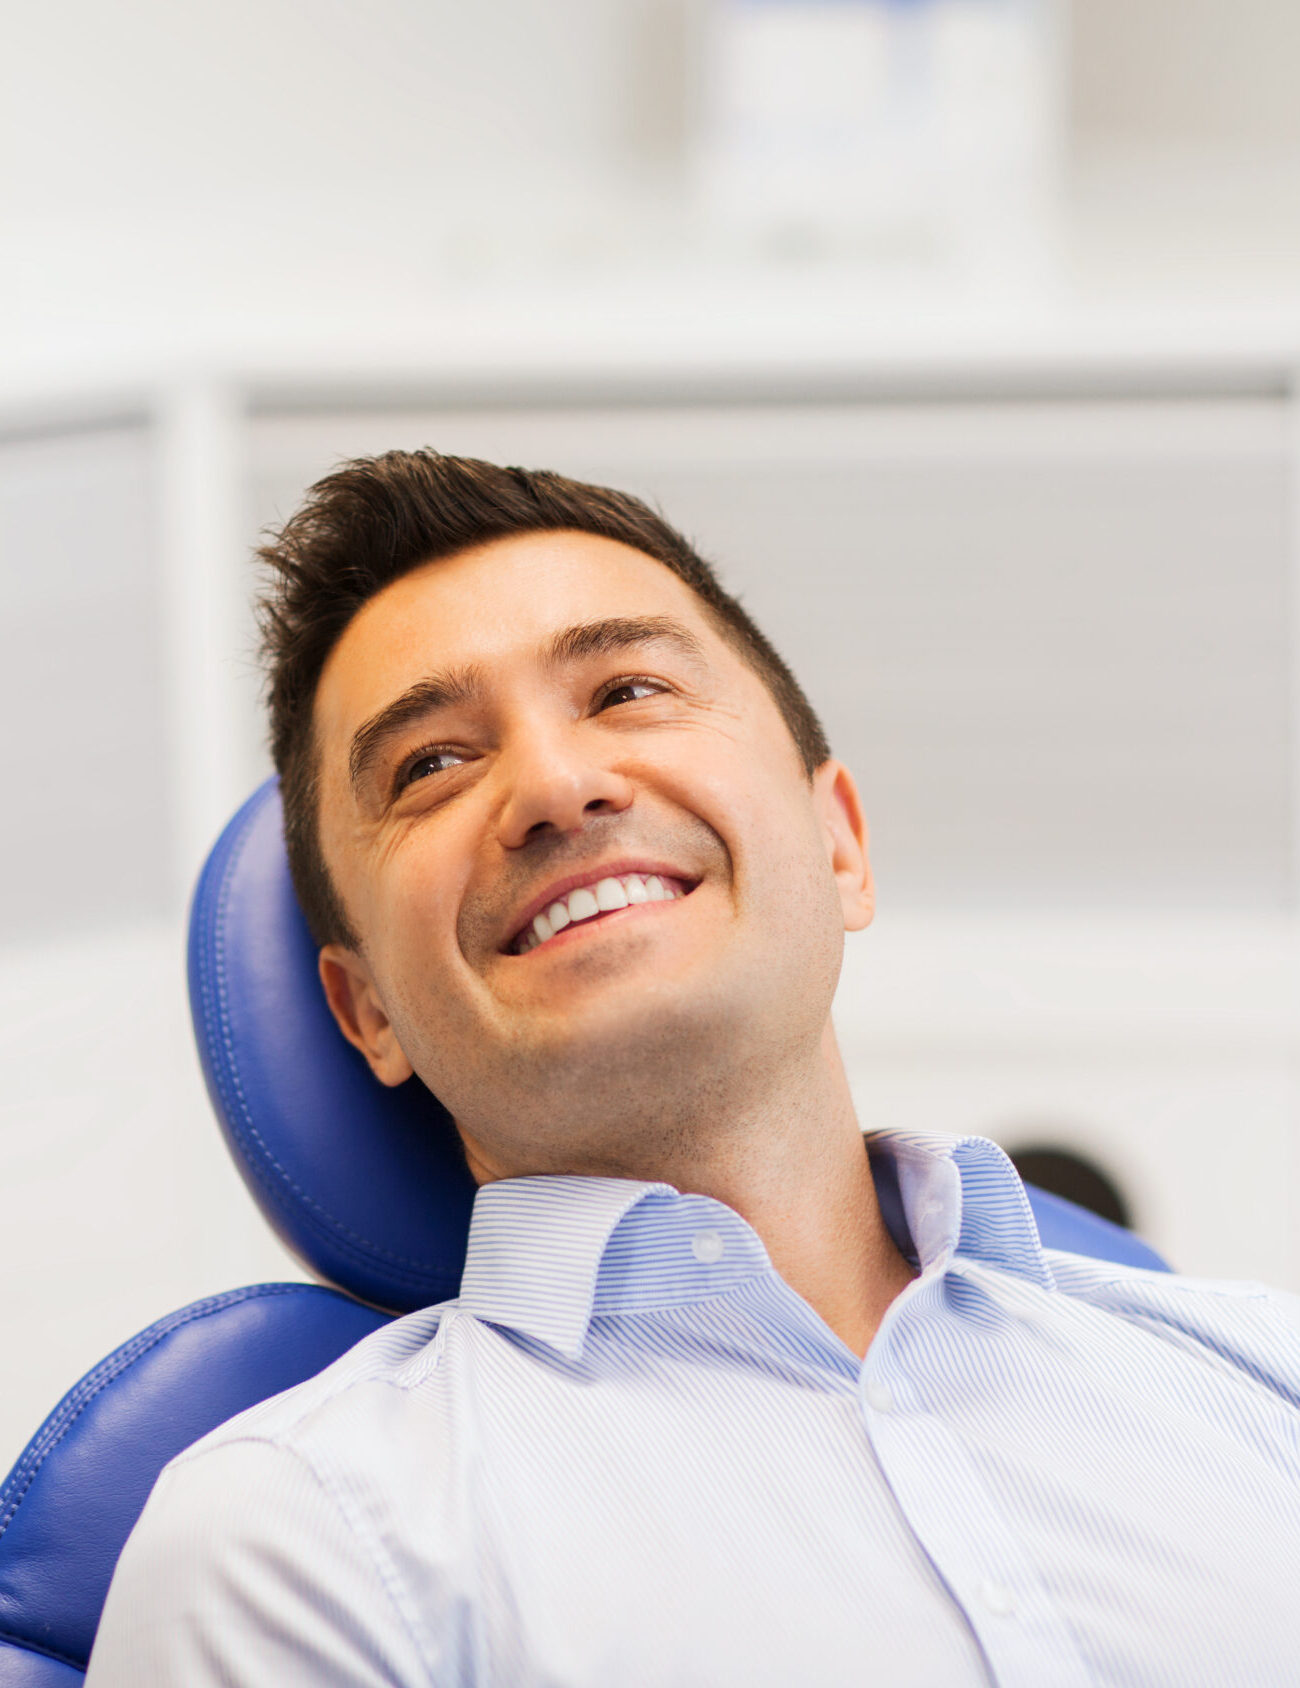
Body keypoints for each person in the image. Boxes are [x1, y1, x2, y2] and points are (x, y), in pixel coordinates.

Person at [88, 452, 1300, 1687]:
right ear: (366, 1015)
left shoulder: (1266, 1374)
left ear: (839, 843)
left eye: (626, 686)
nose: (556, 786)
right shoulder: (291, 1548)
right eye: (431, 765)